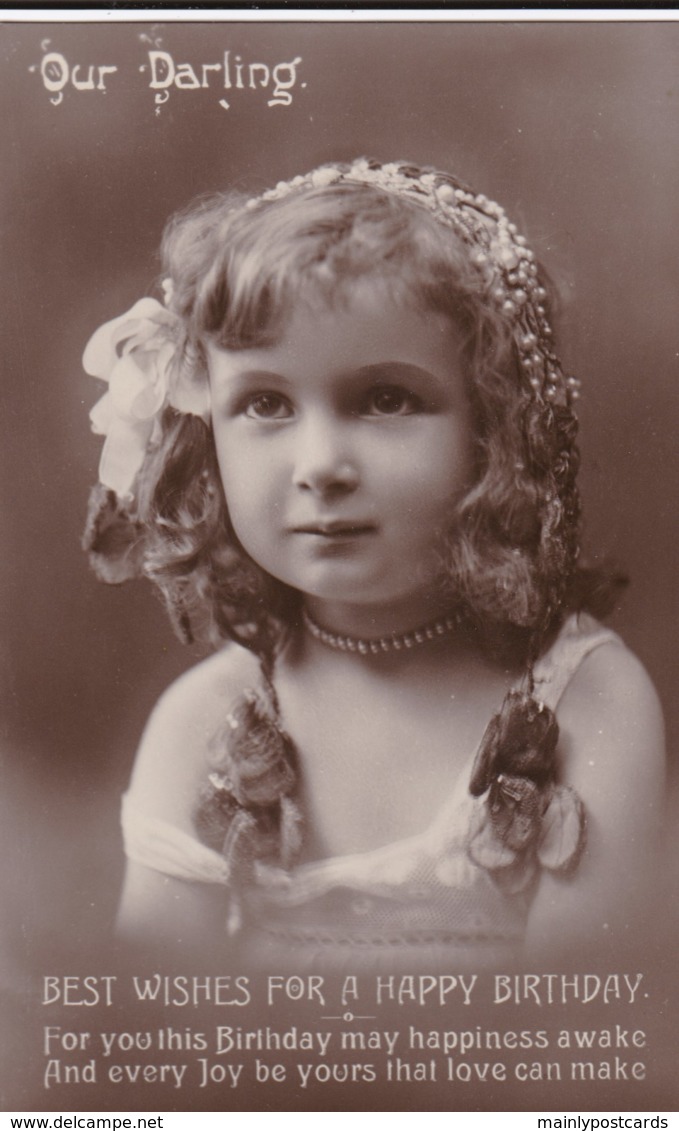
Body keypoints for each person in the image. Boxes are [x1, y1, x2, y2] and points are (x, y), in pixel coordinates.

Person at [83, 158, 664, 969]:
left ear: (494, 430)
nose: (319, 463)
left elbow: (576, 1043)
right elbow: (142, 1038)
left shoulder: (587, 707)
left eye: (385, 399)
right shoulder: (201, 723)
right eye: (265, 403)